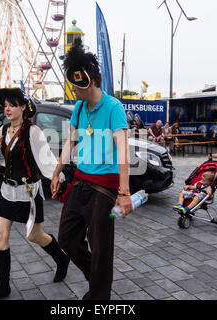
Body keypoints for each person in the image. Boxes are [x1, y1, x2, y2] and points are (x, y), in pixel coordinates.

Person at [51, 41, 132, 300]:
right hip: (80, 182)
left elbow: (123, 152)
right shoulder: (78, 108)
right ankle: (95, 276)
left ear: (90, 83)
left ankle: (99, 298)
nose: (72, 90)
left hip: (105, 188)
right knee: (66, 239)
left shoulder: (113, 107)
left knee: (101, 249)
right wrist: (57, 170)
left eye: (75, 86)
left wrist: (124, 191)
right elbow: (71, 140)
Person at [0, 87, 69, 300]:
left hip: (29, 193)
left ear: (23, 107)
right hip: (7, 191)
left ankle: (61, 259)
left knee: (34, 235)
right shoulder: (2, 131)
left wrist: (59, 179)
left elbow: (47, 161)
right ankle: (3, 286)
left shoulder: (34, 132)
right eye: (5, 105)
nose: (8, 108)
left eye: (12, 105)